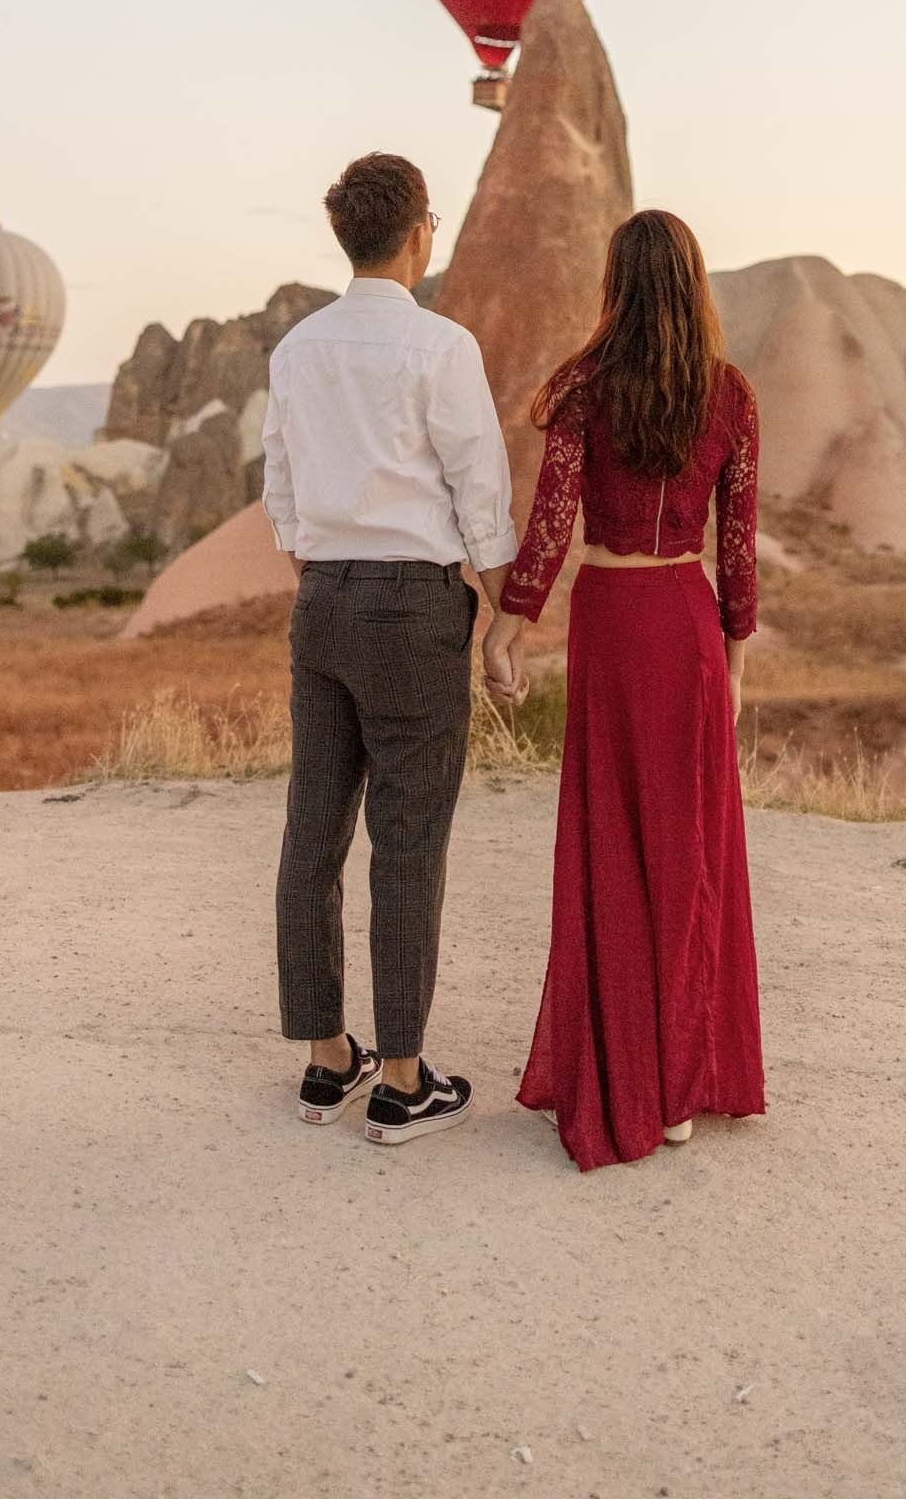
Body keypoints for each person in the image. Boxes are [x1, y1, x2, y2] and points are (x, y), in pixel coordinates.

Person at [484, 209, 765, 1172]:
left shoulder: (581, 390)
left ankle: (626, 1084)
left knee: (614, 848)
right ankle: (680, 1092)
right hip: (685, 624)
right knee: (687, 857)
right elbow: (737, 552)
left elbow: (553, 521)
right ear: (692, 283)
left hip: (611, 621)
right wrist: (731, 669)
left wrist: (506, 628)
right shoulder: (728, 397)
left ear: (616, 285)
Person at [263, 151, 517, 1147]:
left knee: (312, 829)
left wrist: (325, 571)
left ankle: (328, 1059)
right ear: (420, 233)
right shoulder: (441, 347)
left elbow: (280, 484)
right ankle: (405, 1081)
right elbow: (477, 488)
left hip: (321, 599)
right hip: (414, 608)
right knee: (408, 840)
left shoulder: (297, 350)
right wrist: (502, 613)